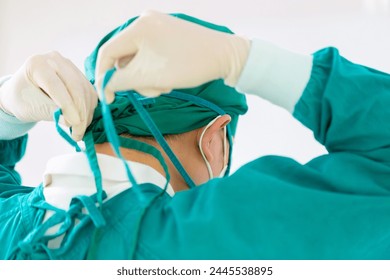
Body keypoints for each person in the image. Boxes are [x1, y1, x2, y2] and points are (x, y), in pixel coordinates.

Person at [1, 10, 390, 260]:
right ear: (215, 141)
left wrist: (5, 110)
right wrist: (245, 60)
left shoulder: (10, 225)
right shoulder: (229, 233)